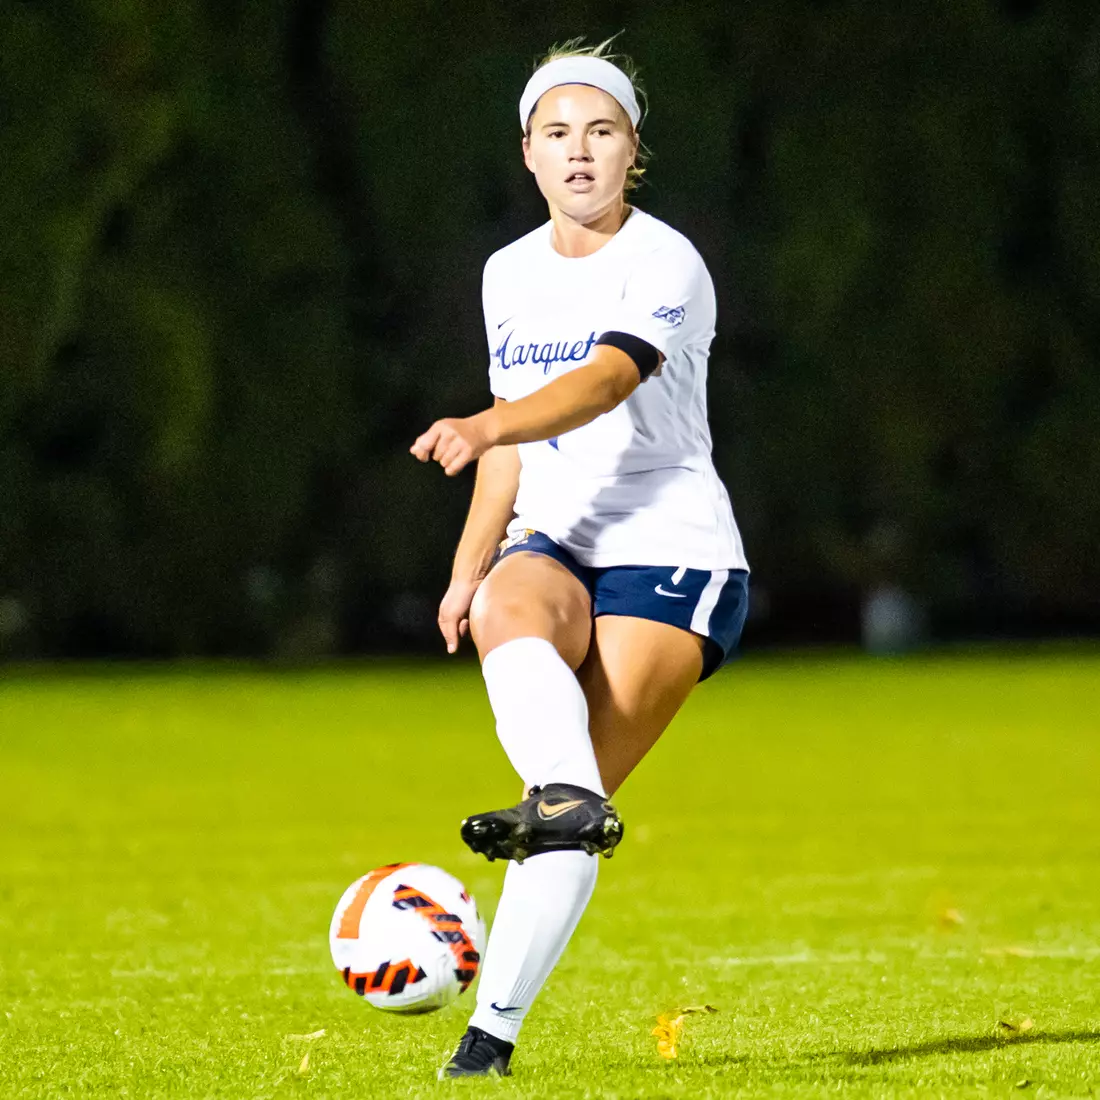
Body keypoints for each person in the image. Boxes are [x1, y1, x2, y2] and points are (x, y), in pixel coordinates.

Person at [410, 38, 749, 1079]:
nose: (579, 152)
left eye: (600, 131)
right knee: (520, 632)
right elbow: (513, 444)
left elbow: (604, 382)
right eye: (557, 133)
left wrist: (483, 419)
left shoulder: (663, 260)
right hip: (555, 539)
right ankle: (555, 799)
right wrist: (468, 568)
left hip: (671, 550)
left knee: (568, 814)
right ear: (527, 153)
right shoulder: (504, 274)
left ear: (630, 148)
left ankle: (486, 1041)